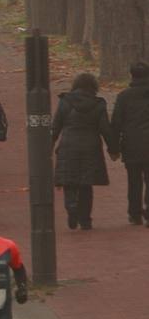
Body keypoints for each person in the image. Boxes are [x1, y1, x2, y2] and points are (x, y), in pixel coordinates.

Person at [52, 72, 117, 231]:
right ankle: (85, 220)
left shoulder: (64, 101)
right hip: (91, 147)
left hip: (68, 144)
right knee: (86, 185)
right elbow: (105, 129)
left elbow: (56, 126)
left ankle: (71, 207)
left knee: (69, 180)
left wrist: (48, 145)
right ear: (93, 87)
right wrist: (114, 149)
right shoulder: (98, 104)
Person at [110, 61, 149, 224]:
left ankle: (134, 214)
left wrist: (113, 148)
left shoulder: (124, 96)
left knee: (134, 181)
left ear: (131, 75)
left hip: (131, 144)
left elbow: (116, 123)